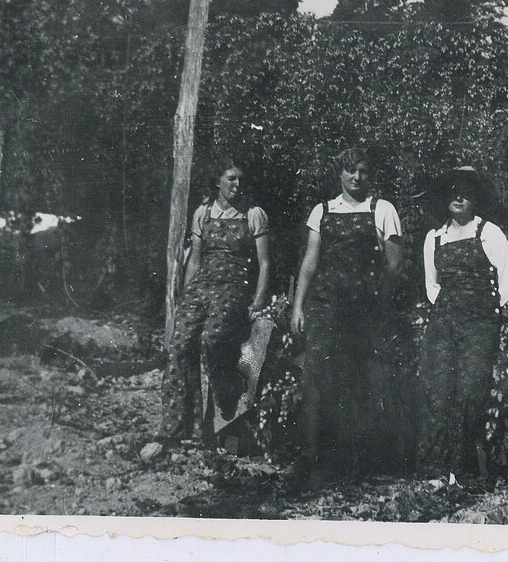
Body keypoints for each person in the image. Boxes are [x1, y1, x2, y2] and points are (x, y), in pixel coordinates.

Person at [291, 147, 404, 479]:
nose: (357, 177)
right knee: (317, 377)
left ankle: (358, 463)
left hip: (365, 312)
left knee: (361, 381)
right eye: (350, 171)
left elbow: (395, 265)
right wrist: (298, 305)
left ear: (370, 176)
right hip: (326, 308)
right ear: (339, 174)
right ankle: (312, 458)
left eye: (363, 171)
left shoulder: (382, 210)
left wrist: (375, 304)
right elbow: (310, 264)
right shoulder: (322, 211)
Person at [157, 159, 271, 449]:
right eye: (231, 179)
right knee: (179, 346)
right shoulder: (203, 213)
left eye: (241, 180)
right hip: (201, 287)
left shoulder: (253, 215)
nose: (237, 185)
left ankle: (227, 395)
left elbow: (265, 264)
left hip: (234, 287)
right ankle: (178, 428)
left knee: (213, 338)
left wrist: (258, 300)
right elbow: (195, 259)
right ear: (218, 182)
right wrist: (185, 296)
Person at [418, 166, 508, 481]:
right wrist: (449, 313)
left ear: (475, 197)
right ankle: (435, 471)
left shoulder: (490, 233)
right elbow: (432, 288)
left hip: (480, 324)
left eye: (466, 191)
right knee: (439, 391)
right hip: (444, 324)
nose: (458, 197)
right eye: (453, 190)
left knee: (471, 391)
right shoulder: (433, 238)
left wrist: (487, 314)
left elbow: (507, 285)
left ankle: (461, 470)